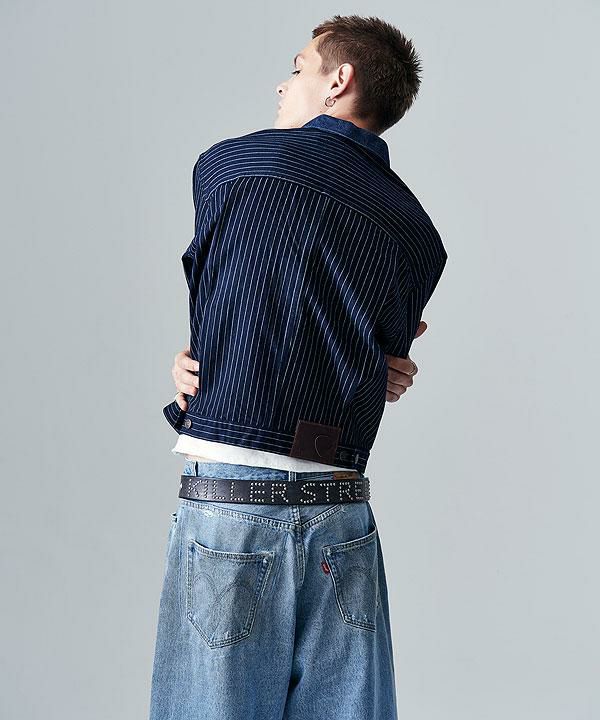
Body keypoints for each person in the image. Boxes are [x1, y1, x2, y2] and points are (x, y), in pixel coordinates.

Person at [149, 14, 447, 720]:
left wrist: (202, 369)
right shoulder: (418, 235)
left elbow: (219, 294)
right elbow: (385, 364)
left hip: (233, 499)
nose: (283, 85)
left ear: (339, 80)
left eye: (297, 68)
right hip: (342, 512)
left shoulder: (230, 167)